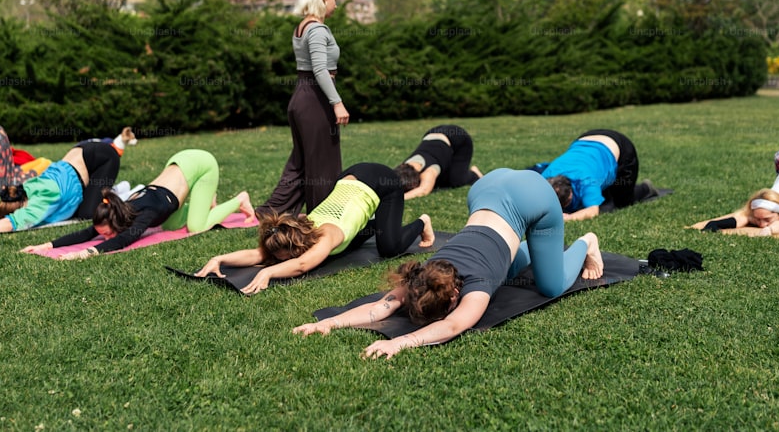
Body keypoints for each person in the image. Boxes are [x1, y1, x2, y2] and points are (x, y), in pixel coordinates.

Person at [292, 168, 604, 359]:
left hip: (531, 195)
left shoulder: (476, 289)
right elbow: (379, 308)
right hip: (487, 187)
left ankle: (586, 242)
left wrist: (400, 343)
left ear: (454, 297)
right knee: (507, 272)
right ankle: (532, 248)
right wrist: (326, 324)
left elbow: (452, 325)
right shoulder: (423, 277)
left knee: (549, 285)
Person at [196, 162, 434, 295]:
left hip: (381, 181)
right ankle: (374, 226)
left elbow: (300, 265)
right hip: (351, 177)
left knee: (389, 247)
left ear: (295, 246)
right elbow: (259, 255)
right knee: (349, 246)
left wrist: (267, 273)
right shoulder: (296, 231)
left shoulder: (326, 236)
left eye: (282, 259)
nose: (279, 262)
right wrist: (220, 258)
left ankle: (422, 222)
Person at [20, 149, 253, 259]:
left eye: (107, 234)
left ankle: (238, 199)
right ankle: (204, 199)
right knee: (172, 227)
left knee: (196, 226)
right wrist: (47, 245)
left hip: (201, 163)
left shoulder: (145, 214)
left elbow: (124, 240)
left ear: (118, 223)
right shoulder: (116, 211)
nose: (105, 238)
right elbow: (88, 232)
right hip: (179, 163)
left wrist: (81, 255)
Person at [255, 0, 349, 218]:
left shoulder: (302, 26)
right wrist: (337, 103)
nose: (336, 5)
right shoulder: (317, 29)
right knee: (322, 165)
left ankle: (270, 212)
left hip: (302, 97)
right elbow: (319, 70)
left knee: (301, 162)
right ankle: (323, 218)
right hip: (314, 100)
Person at [540, 129, 654, 221]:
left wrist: (570, 217)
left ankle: (646, 188)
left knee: (622, 202)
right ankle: (604, 191)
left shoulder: (586, 180)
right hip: (585, 139)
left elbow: (593, 210)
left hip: (619, 146)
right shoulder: (545, 177)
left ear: (571, 193)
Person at [394, 124, 483, 199]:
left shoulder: (429, 171)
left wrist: (398, 198)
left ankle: (474, 173)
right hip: (434, 132)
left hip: (459, 138)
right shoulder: (403, 167)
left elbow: (424, 190)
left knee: (455, 180)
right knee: (440, 180)